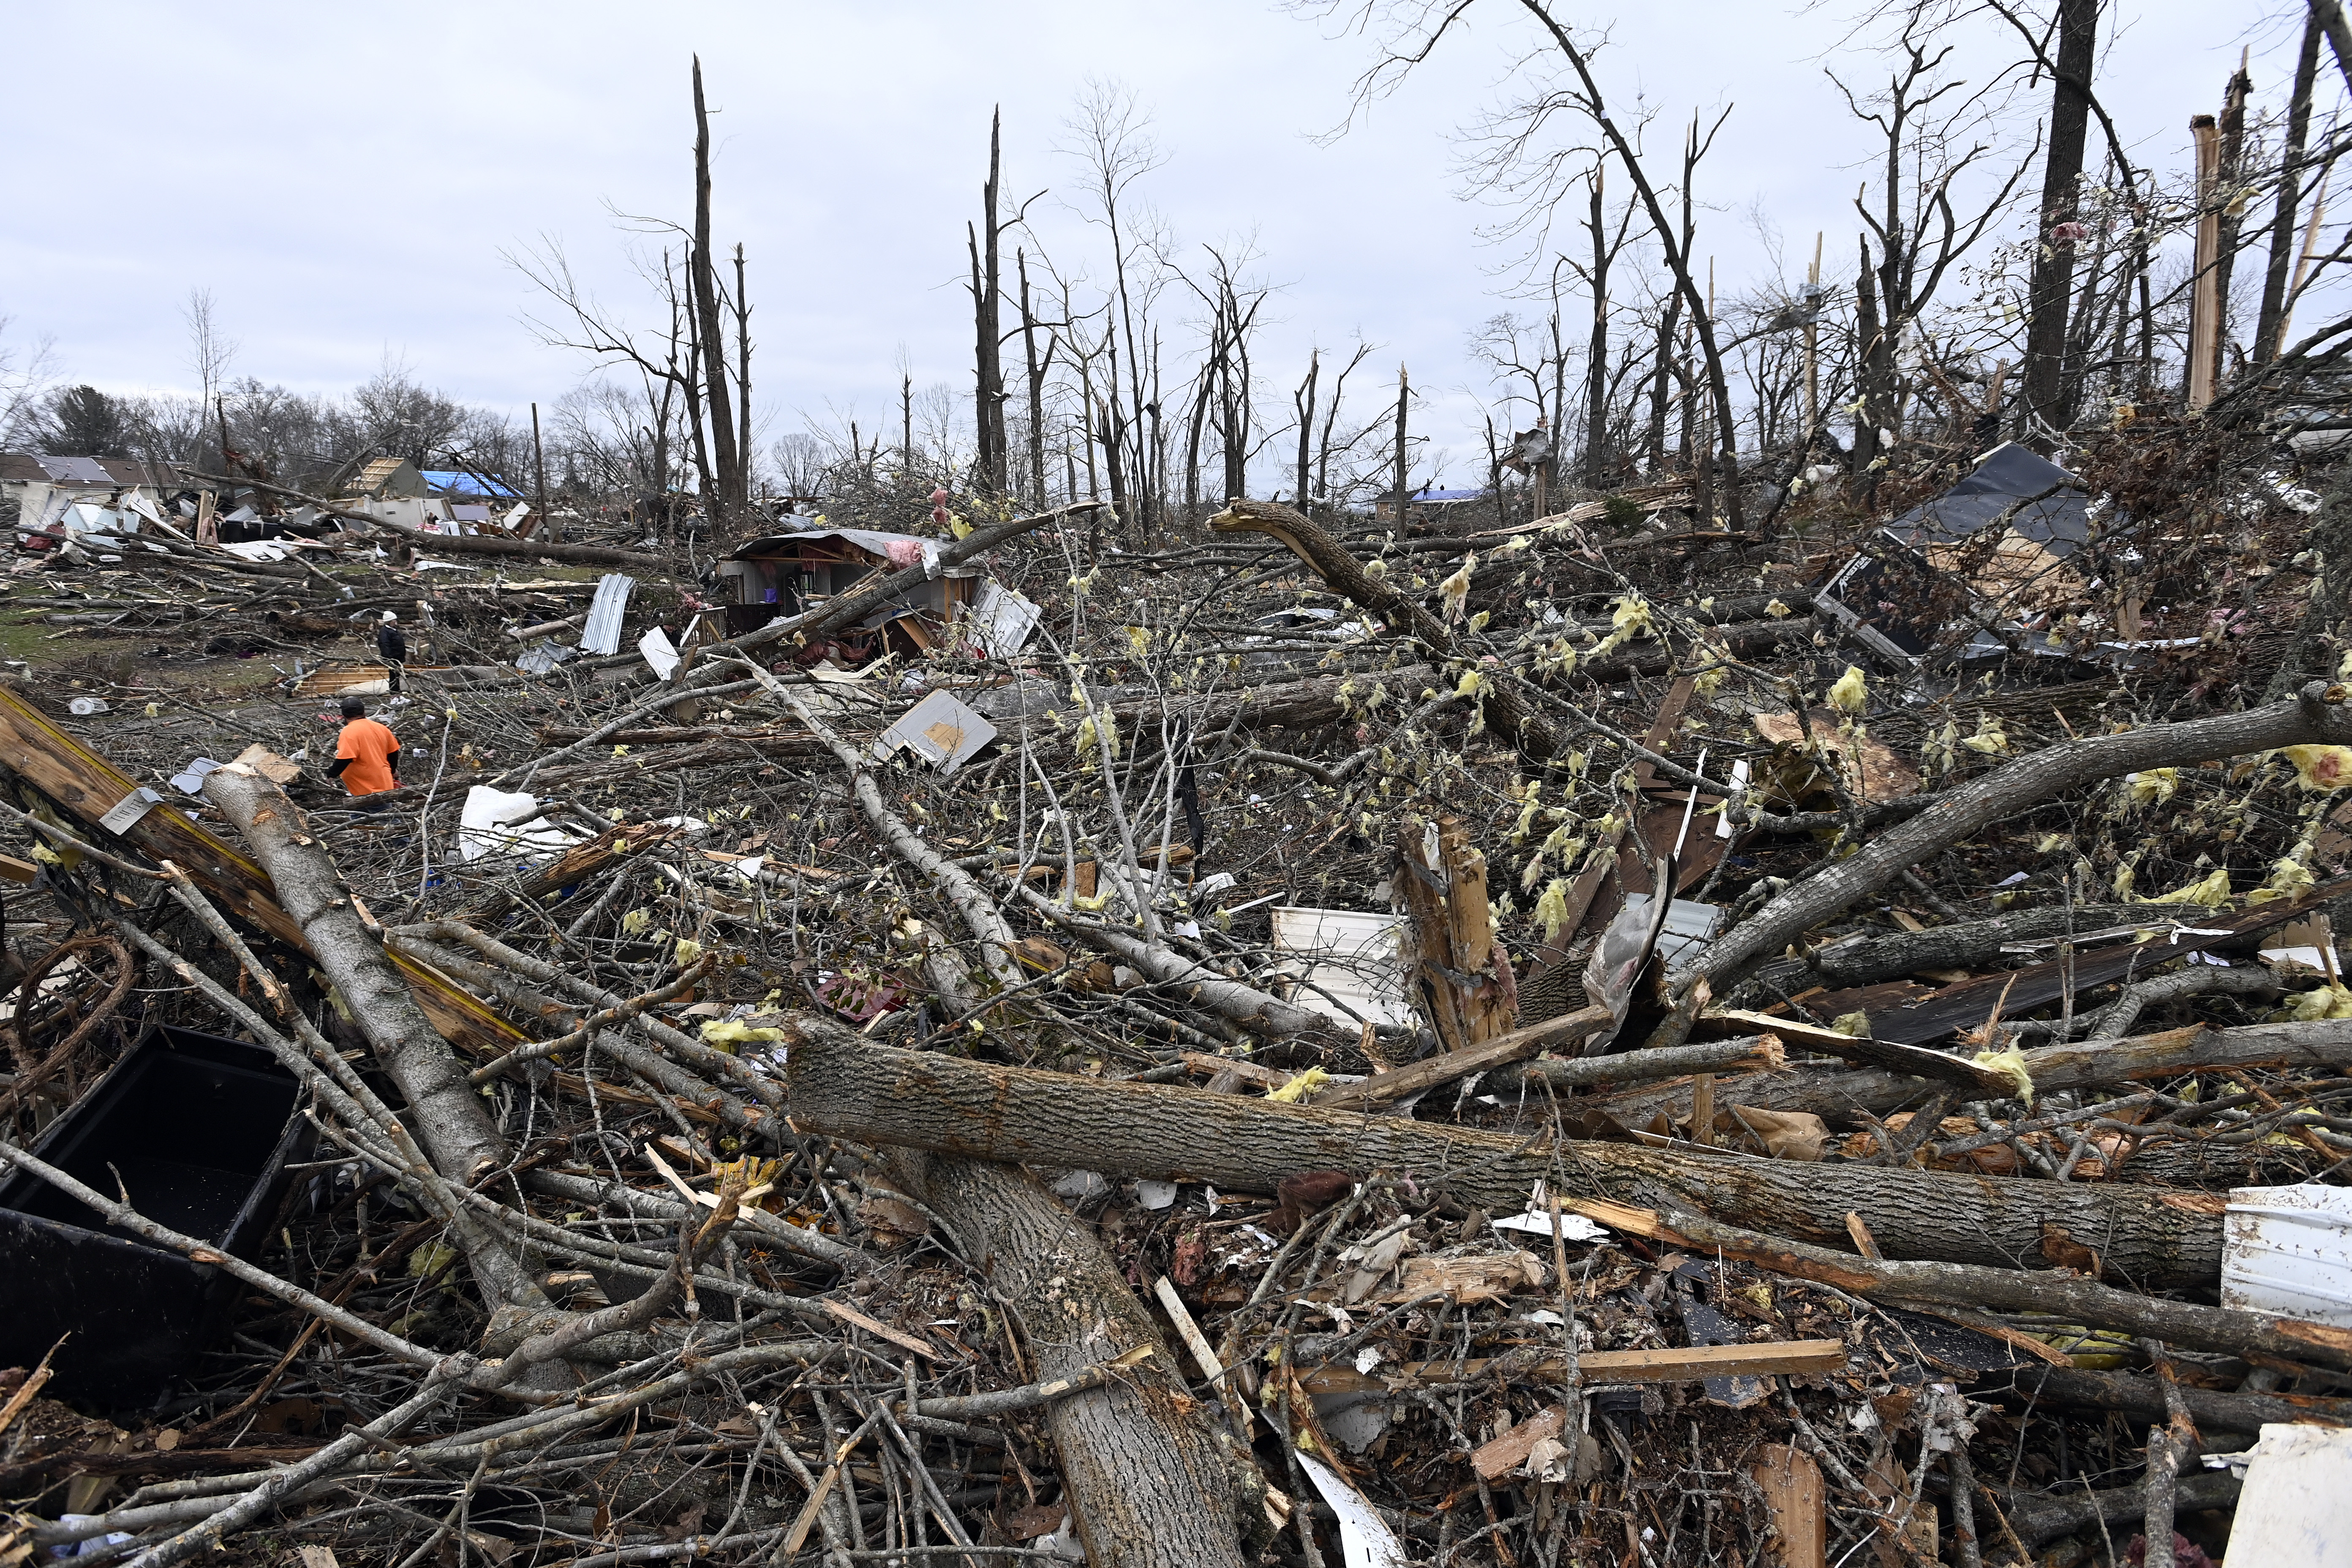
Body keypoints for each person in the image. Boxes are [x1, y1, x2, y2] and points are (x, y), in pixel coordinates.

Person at [328, 696, 400, 809]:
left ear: (344, 715)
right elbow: (393, 753)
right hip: (379, 784)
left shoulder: (349, 732)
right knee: (359, 819)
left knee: (384, 819)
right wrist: (392, 770)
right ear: (364, 711)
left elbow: (345, 759)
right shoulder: (381, 728)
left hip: (367, 788)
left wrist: (331, 774)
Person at [376, 612, 408, 694]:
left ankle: (398, 695)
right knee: (393, 677)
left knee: (398, 676)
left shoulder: (394, 630)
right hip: (392, 658)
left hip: (398, 658)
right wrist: (389, 658)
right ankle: (394, 696)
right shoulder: (384, 632)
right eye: (394, 620)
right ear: (389, 621)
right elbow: (384, 645)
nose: (396, 621)